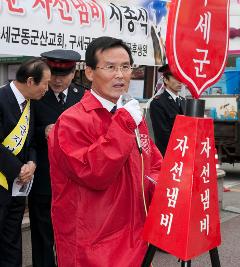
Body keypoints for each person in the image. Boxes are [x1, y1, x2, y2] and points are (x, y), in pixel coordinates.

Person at [48, 36, 162, 266]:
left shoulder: (130, 116)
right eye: (110, 67)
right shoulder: (71, 121)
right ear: (89, 72)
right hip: (92, 245)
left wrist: (167, 186)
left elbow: (153, 164)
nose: (120, 74)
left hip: (135, 236)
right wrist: (124, 124)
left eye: (126, 67)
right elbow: (94, 173)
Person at [30, 49, 85, 267]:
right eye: (53, 73)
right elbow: (24, 134)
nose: (58, 79)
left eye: (64, 74)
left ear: (74, 73)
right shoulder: (35, 96)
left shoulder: (82, 96)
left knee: (74, 234)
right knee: (42, 234)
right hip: (44, 177)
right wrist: (43, 131)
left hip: (75, 180)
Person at [0, 58, 50, 267]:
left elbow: (30, 143)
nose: (46, 89)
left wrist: (31, 163)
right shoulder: (1, 98)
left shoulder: (29, 103)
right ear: (30, 81)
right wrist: (17, 169)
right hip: (4, 181)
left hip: (17, 188)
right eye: (44, 83)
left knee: (12, 241)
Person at [150, 64, 186, 156]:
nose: (180, 82)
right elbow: (162, 134)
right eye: (176, 78)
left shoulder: (183, 101)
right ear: (166, 80)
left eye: (181, 78)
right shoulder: (158, 103)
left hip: (184, 151)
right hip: (167, 153)